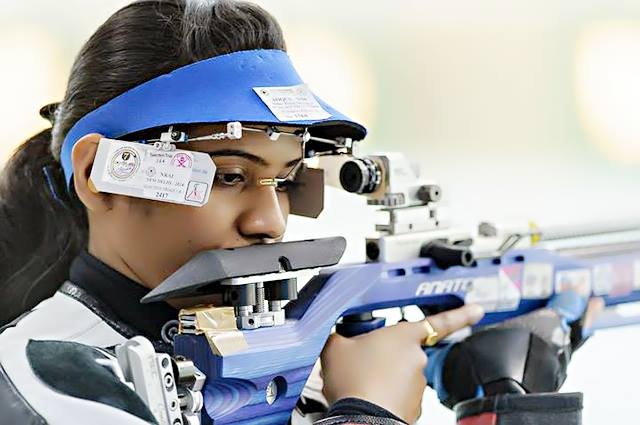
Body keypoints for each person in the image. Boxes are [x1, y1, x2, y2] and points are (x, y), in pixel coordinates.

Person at [0, 1, 598, 424]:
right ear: (100, 178)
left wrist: (509, 401)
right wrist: (368, 414)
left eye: (286, 182)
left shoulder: (297, 370)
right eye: (230, 175)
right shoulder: (38, 376)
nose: (270, 221)